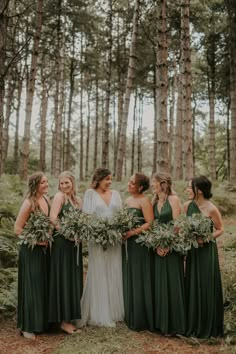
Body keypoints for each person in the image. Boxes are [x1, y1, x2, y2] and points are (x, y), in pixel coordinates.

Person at [79, 167, 124, 327]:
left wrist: (114, 231)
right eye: (107, 179)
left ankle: (114, 311)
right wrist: (98, 232)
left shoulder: (116, 195)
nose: (109, 182)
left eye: (111, 179)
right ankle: (99, 313)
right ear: (98, 179)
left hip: (114, 240)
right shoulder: (90, 194)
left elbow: (120, 217)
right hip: (96, 240)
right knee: (98, 271)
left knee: (113, 269)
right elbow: (87, 217)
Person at [184, 176, 224, 338]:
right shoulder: (187, 206)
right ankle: (193, 323)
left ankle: (209, 324)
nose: (186, 190)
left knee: (206, 283)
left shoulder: (211, 208)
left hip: (207, 252)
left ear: (199, 190)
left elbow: (220, 229)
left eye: (189, 187)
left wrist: (206, 238)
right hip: (192, 251)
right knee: (192, 282)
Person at [15, 172, 50, 340]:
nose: (46, 184)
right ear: (35, 185)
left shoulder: (47, 200)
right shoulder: (29, 203)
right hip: (30, 251)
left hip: (44, 251)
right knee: (31, 286)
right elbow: (17, 229)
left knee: (41, 286)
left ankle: (40, 322)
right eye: (43, 182)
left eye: (46, 181)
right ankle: (27, 326)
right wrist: (36, 242)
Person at [48, 171, 83, 334]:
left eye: (67, 183)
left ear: (73, 183)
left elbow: (82, 222)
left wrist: (80, 234)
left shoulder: (77, 200)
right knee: (63, 278)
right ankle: (63, 321)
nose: (64, 186)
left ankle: (70, 316)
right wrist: (67, 234)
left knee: (72, 278)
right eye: (61, 183)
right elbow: (53, 218)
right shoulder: (59, 197)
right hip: (62, 243)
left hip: (74, 244)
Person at [151, 172, 186, 335]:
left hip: (171, 248)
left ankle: (175, 324)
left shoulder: (174, 200)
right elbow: (153, 225)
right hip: (157, 247)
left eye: (154, 182)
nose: (152, 185)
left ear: (162, 183)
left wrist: (167, 245)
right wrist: (157, 244)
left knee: (172, 282)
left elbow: (177, 225)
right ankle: (161, 322)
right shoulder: (154, 201)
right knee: (160, 283)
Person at [122, 172, 154, 331]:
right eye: (129, 181)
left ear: (140, 187)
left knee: (139, 276)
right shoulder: (127, 200)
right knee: (130, 275)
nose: (129, 184)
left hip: (139, 244)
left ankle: (142, 317)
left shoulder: (144, 201)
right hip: (126, 243)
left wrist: (132, 233)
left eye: (132, 183)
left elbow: (149, 223)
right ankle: (131, 313)